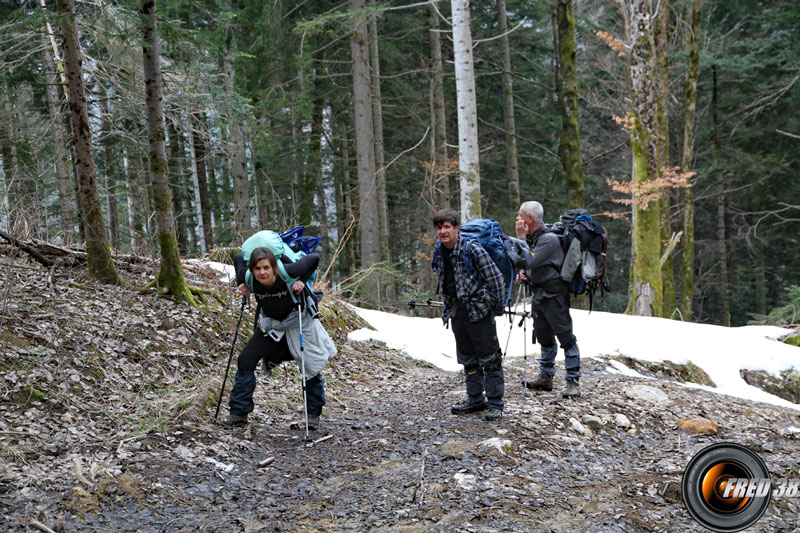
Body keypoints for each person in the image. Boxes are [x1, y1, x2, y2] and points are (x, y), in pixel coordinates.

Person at [219, 246, 337, 429]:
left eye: (266, 268)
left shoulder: (288, 272)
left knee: (310, 365)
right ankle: (238, 415)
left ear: (274, 267)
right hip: (273, 326)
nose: (262, 272)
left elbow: (314, 257)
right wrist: (241, 281)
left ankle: (313, 414)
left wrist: (303, 280)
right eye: (257, 269)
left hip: (299, 322)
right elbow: (240, 256)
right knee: (245, 360)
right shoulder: (249, 276)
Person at [431, 209, 506, 421]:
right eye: (439, 227)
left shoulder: (472, 249)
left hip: (478, 310)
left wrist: (497, 307)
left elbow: (496, 279)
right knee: (468, 358)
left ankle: (495, 404)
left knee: (490, 358)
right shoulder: (439, 248)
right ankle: (475, 399)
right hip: (456, 310)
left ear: (457, 228)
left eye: (447, 227)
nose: (443, 231)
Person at [514, 200, 582, 398]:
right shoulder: (534, 238)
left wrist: (520, 237)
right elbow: (529, 264)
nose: (517, 219)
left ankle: (573, 382)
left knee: (566, 337)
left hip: (554, 295)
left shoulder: (548, 239)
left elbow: (527, 259)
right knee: (544, 337)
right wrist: (525, 274)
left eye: (520, 216)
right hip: (539, 294)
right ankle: (546, 378)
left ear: (530, 218)